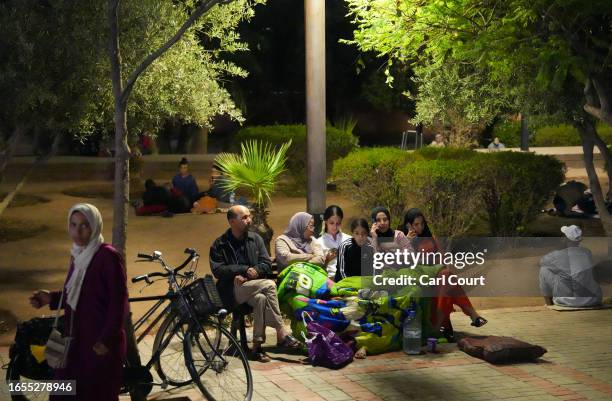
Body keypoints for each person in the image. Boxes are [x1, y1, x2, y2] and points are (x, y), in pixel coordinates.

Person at [29, 203, 128, 401]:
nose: (77, 231)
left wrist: (106, 339)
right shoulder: (78, 254)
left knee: (95, 395)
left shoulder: (107, 256)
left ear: (95, 226)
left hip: (98, 346)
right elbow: (76, 294)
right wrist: (51, 298)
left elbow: (119, 303)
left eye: (84, 225)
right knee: (62, 393)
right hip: (74, 342)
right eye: (73, 225)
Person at [210, 205, 301, 362]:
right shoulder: (220, 244)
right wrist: (242, 270)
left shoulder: (256, 239)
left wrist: (255, 272)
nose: (249, 220)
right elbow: (218, 270)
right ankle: (281, 333)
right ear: (232, 222)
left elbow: (265, 262)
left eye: (249, 216)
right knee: (270, 285)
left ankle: (256, 347)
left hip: (253, 286)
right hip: (232, 291)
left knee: (261, 299)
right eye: (244, 217)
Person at [402, 208, 487, 340]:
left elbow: (441, 259)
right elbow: (405, 263)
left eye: (422, 223)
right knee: (447, 278)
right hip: (420, 279)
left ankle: (440, 325)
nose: (420, 227)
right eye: (416, 224)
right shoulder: (404, 240)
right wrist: (407, 241)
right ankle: (472, 314)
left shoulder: (431, 238)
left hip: (438, 276)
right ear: (409, 225)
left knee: (446, 277)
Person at [539, 225, 602, 307]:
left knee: (544, 270)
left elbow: (541, 262)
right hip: (592, 300)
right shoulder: (586, 252)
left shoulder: (557, 255)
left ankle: (549, 304)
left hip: (566, 301)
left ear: (565, 239)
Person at [315, 205, 352, 278]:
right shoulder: (318, 242)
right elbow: (317, 269)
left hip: (349, 278)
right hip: (329, 279)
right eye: (331, 223)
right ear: (325, 222)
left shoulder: (349, 239)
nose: (335, 227)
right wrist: (327, 260)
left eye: (338, 223)